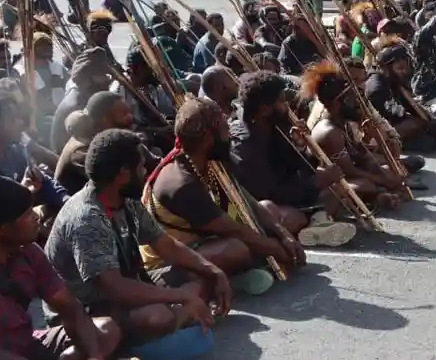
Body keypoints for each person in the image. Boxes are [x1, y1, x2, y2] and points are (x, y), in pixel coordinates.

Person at [45, 130, 229, 346]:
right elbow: (114, 288)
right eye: (141, 166)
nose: (145, 171)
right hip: (87, 310)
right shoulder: (87, 219)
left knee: (202, 275)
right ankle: (176, 323)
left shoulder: (126, 200)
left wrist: (214, 272)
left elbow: (168, 247)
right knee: (157, 316)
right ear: (123, 174)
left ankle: (183, 318)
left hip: (126, 288)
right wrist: (181, 297)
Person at [0, 161, 120, 360]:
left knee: (104, 331)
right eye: (27, 214)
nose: (36, 217)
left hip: (27, 345)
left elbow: (70, 307)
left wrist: (94, 355)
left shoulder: (26, 251)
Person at [142, 98, 305, 295]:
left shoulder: (210, 161)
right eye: (225, 127)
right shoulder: (180, 184)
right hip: (172, 262)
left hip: (209, 240)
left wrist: (283, 235)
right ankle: (233, 279)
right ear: (209, 137)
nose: (230, 132)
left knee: (272, 209)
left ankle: (247, 270)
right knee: (235, 249)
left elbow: (247, 201)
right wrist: (277, 249)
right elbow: (233, 230)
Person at [229, 71, 357, 245]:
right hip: (265, 204)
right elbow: (269, 192)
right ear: (265, 109)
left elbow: (296, 169)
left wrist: (301, 147)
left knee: (334, 190)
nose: (287, 106)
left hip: (288, 193)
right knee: (291, 217)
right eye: (281, 101)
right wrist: (315, 183)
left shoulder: (276, 125)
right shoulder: (244, 144)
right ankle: (315, 223)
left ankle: (315, 225)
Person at [306, 61, 409, 210]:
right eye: (351, 99)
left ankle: (378, 196)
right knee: (367, 184)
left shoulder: (343, 123)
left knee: (384, 168)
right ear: (336, 104)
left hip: (348, 174)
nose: (357, 103)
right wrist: (384, 181)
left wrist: (376, 141)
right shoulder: (329, 132)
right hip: (330, 184)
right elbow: (350, 171)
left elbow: (359, 155)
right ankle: (373, 197)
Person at [365, 38, 436, 160]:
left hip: (394, 123)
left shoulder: (393, 79)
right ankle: (387, 145)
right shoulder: (376, 87)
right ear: (386, 69)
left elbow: (409, 105)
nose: (405, 71)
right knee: (416, 127)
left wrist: (429, 118)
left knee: (430, 137)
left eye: (406, 66)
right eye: (400, 68)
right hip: (379, 131)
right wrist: (426, 125)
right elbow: (396, 113)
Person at [52, 48, 115, 152]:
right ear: (86, 80)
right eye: (101, 75)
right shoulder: (76, 106)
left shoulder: (87, 99)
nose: (107, 80)